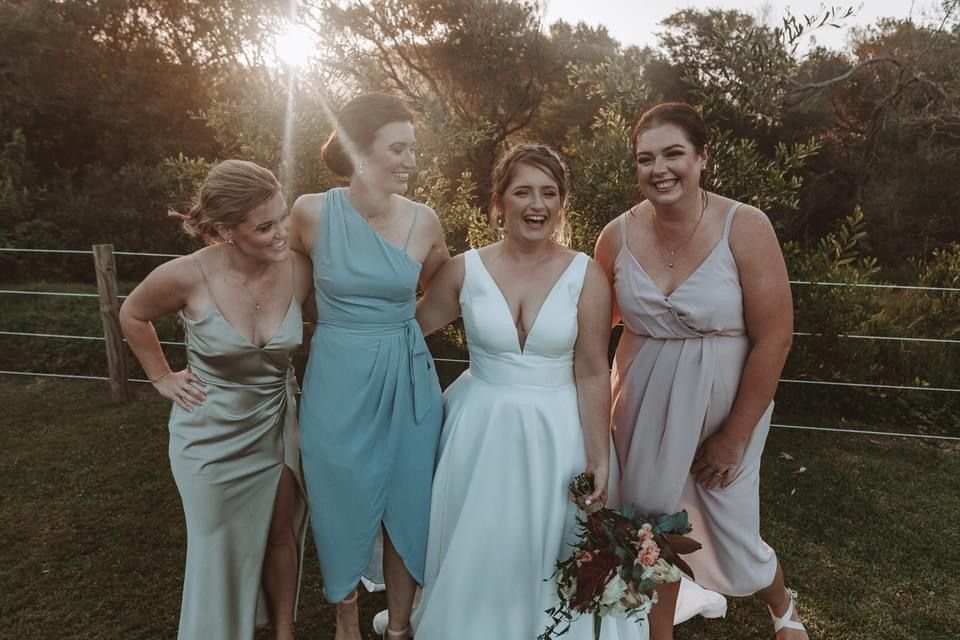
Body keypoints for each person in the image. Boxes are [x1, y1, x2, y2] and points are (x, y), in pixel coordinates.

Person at [411, 144, 647, 640]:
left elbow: (591, 370)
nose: (537, 205)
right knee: (481, 535)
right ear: (499, 202)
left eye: (549, 193)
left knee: (552, 540)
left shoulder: (586, 274)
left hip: (558, 429)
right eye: (523, 192)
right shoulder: (464, 270)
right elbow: (406, 332)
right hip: (478, 427)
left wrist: (598, 456)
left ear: (562, 202)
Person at [594, 102, 808, 640]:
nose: (659, 169)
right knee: (650, 527)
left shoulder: (745, 226)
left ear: (702, 157)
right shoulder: (615, 236)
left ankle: (782, 606)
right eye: (645, 159)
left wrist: (735, 436)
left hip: (725, 404)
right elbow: (593, 327)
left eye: (673, 154)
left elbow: (775, 338)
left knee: (731, 528)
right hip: (642, 402)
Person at [119, 159, 312, 640]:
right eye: (264, 227)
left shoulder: (300, 269)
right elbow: (133, 314)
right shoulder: (188, 275)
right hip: (208, 434)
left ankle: (284, 633)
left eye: (283, 217)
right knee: (215, 546)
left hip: (275, 422)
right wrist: (161, 376)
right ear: (227, 230)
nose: (281, 233)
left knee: (280, 533)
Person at [288, 93, 449, 640]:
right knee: (338, 494)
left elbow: (447, 289)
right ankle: (346, 621)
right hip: (336, 376)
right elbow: (287, 289)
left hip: (407, 378)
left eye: (413, 149)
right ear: (360, 151)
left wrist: (401, 330)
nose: (411, 161)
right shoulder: (310, 212)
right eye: (398, 149)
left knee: (409, 499)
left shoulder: (425, 221)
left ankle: (400, 627)